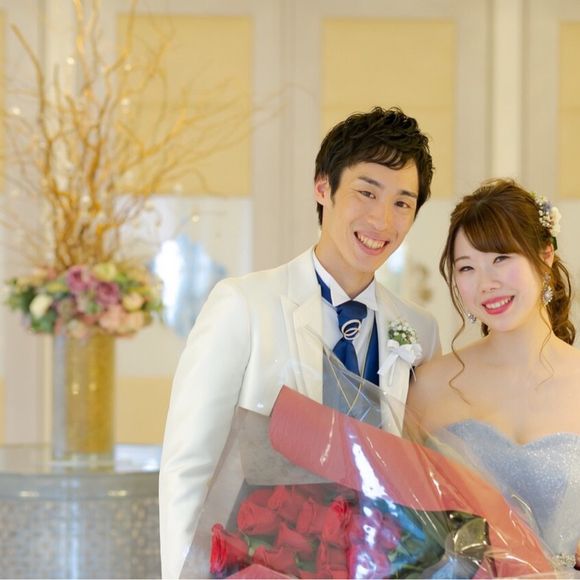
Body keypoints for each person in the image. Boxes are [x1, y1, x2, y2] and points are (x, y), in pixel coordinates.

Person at [159, 106, 442, 579]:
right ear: (323, 187)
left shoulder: (420, 330)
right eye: (367, 192)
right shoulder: (243, 305)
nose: (382, 219)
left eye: (402, 203)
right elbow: (188, 466)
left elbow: (421, 480)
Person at [407, 178, 580, 570]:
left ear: (546, 256)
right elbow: (401, 525)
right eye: (467, 267)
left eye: (501, 259)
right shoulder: (430, 386)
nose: (486, 283)